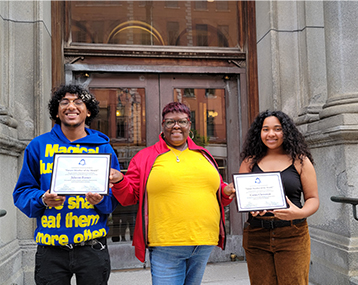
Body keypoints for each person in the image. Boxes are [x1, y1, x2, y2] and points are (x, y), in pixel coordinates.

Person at [110, 102, 235, 285]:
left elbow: (215, 192)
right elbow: (129, 197)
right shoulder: (145, 157)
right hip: (166, 245)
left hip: (203, 242)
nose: (176, 126)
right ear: (163, 125)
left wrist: (226, 191)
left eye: (182, 121)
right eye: (170, 122)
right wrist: (120, 181)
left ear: (189, 125)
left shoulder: (204, 154)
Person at [13, 84, 121, 285]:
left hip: (92, 248)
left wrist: (101, 200)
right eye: (65, 102)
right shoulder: (38, 146)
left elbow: (113, 199)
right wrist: (42, 199)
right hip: (51, 250)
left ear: (88, 112)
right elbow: (21, 193)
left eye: (78, 102)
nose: (71, 106)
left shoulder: (103, 147)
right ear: (56, 111)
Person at [239, 110, 320, 285]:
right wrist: (250, 207)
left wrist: (298, 213)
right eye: (265, 129)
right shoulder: (249, 162)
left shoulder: (300, 160)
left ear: (286, 131)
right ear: (259, 133)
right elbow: (244, 196)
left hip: (292, 234)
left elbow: (313, 198)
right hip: (256, 234)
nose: (271, 134)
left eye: (277, 129)